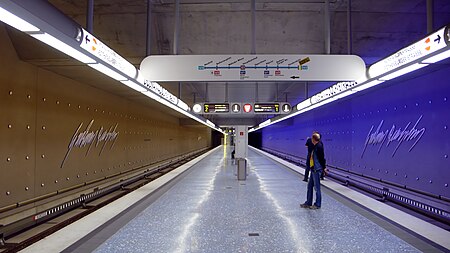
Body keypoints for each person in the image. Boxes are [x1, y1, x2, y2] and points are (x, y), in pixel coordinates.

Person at [300, 132, 326, 209]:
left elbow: (322, 158)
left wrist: (323, 168)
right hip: (313, 168)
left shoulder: (319, 147)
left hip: (316, 169)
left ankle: (318, 204)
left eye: (312, 138)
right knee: (310, 186)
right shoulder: (315, 146)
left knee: (317, 188)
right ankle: (308, 202)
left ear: (314, 139)